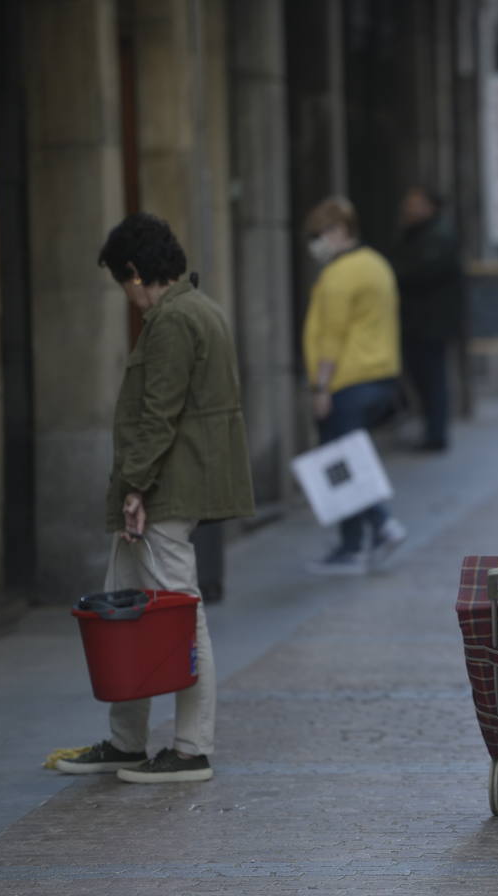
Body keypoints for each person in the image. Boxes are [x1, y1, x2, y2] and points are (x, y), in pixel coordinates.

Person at [56, 213, 254, 783]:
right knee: (126, 609)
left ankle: (190, 749)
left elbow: (158, 413)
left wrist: (136, 488)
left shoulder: (171, 321)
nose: (128, 298)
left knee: (178, 617)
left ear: (137, 272)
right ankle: (127, 739)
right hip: (171, 486)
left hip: (166, 491)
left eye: (124, 284)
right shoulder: (202, 309)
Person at [302, 195, 408, 575]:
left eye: (319, 234)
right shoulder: (376, 265)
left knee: (340, 462)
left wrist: (321, 387)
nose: (315, 244)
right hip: (380, 374)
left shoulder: (338, 275)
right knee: (346, 457)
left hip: (347, 378)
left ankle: (379, 527)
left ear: (337, 231)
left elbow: (330, 336)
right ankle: (354, 543)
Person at [389, 186, 463, 452]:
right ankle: (431, 430)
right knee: (423, 378)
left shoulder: (438, 236)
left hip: (430, 323)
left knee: (432, 379)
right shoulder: (416, 234)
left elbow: (420, 272)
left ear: (430, 207)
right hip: (418, 321)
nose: (409, 209)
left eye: (415, 204)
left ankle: (436, 434)